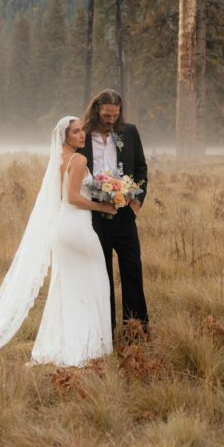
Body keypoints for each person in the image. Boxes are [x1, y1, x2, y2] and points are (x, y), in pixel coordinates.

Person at [0, 116, 116, 368]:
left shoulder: (58, 159)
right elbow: (71, 198)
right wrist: (103, 205)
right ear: (65, 136)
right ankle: (88, 346)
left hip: (63, 229)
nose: (82, 135)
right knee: (95, 282)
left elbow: (62, 197)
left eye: (83, 131)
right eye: (76, 132)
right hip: (78, 227)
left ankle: (71, 344)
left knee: (69, 288)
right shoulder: (78, 160)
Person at [82, 89, 149, 334]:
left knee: (132, 269)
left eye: (114, 115)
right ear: (97, 110)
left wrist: (136, 205)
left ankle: (136, 330)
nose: (110, 120)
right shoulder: (84, 135)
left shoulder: (129, 132)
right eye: (106, 115)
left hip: (125, 213)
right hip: (93, 215)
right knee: (102, 274)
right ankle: (104, 332)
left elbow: (141, 169)